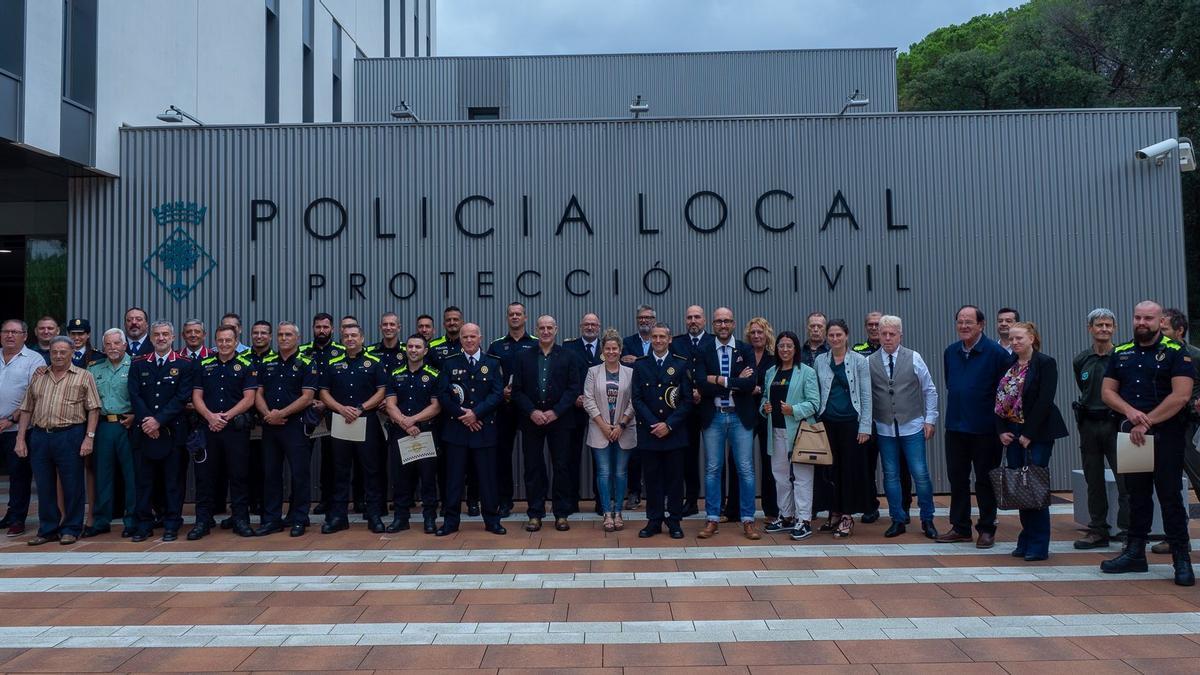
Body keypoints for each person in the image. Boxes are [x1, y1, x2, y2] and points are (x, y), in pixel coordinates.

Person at [1100, 301, 1194, 586]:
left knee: (1169, 496)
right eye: (1138, 317)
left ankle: (1181, 559)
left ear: (1160, 321)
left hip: (1166, 435)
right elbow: (1107, 392)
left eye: (1149, 318)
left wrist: (1147, 421)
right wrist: (1130, 413)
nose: (1142, 322)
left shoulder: (1177, 352)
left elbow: (1181, 396)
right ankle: (1135, 553)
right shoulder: (1121, 353)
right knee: (1136, 496)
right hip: (1132, 435)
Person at [13, 336, 100, 545]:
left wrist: (89, 438)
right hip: (41, 436)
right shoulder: (39, 376)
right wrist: (20, 438)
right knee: (44, 485)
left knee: (72, 484)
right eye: (54, 352)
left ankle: (71, 528)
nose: (59, 356)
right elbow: (26, 409)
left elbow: (94, 409)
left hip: (70, 435)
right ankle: (48, 529)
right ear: (49, 353)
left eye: (63, 352)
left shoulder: (83, 376)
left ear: (71, 353)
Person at [994, 322, 1068, 561]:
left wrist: (1029, 433)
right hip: (1012, 432)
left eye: (1019, 338)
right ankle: (1026, 537)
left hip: (1038, 432)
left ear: (1032, 338)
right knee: (1020, 487)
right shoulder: (1009, 365)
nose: (1015, 342)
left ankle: (1039, 543)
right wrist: (1001, 430)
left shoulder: (1045, 363)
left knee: (1034, 485)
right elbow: (999, 400)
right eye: (1011, 339)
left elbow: (1045, 400)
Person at [938, 305, 1010, 548]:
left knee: (985, 480)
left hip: (985, 429)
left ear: (981, 324)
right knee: (957, 479)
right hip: (956, 427)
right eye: (960, 321)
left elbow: (1005, 394)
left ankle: (987, 528)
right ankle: (960, 527)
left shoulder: (997, 354)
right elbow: (952, 385)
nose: (964, 326)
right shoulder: (950, 352)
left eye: (969, 322)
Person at [870, 315, 939, 540]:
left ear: (900, 335)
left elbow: (929, 389)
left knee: (920, 473)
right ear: (878, 335)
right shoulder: (869, 361)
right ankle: (897, 519)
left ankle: (927, 518)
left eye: (892, 334)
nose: (888, 338)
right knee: (890, 475)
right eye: (884, 334)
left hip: (912, 425)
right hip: (884, 427)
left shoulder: (914, 358)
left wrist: (930, 419)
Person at [694, 307, 761, 540]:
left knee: (745, 470)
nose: (723, 325)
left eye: (727, 321)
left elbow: (750, 383)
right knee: (713, 469)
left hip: (739, 416)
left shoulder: (744, 349)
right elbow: (702, 384)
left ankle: (748, 520)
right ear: (713, 325)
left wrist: (720, 379)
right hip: (714, 416)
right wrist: (734, 381)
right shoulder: (703, 350)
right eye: (719, 322)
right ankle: (712, 518)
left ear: (733, 324)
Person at [512, 315, 582, 531]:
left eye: (549, 328)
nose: (545, 331)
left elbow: (573, 389)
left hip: (560, 420)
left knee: (562, 467)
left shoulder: (569, 356)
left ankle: (561, 513)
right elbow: (517, 391)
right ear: (536, 329)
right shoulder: (523, 357)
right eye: (541, 328)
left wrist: (556, 411)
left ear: (556, 329)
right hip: (532, 420)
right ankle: (535, 513)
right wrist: (532, 411)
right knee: (533, 467)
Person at [188, 325, 258, 540]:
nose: (224, 344)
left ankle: (240, 520)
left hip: (234, 430)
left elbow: (249, 398)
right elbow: (196, 396)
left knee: (238, 476)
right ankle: (203, 521)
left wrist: (224, 417)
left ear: (236, 341)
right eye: (221, 340)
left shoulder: (247, 364)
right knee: (204, 477)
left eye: (229, 340)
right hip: (208, 428)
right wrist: (210, 417)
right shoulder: (203, 363)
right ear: (215, 341)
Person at [435, 322, 506, 536]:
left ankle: (492, 520)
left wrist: (476, 413)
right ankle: (450, 522)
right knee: (454, 480)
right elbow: (443, 394)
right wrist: (463, 415)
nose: (468, 340)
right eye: (465, 337)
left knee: (487, 479)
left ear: (480, 337)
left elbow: (497, 394)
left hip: (483, 429)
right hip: (456, 431)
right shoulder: (449, 363)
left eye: (472, 336)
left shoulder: (492, 363)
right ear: (461, 340)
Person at [318, 323, 387, 533]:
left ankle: (374, 515)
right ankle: (338, 516)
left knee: (371, 470)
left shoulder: (375, 362)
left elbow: (382, 391)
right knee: (340, 471)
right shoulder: (333, 363)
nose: (350, 338)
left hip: (366, 421)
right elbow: (323, 392)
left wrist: (360, 408)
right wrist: (340, 408)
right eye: (346, 335)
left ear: (362, 338)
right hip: (341, 421)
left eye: (354, 335)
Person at [127, 321, 192, 542]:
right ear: (151, 338)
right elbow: (134, 395)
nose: (161, 338)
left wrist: (158, 421)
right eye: (157, 335)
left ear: (173, 337)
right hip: (144, 432)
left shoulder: (184, 364)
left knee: (173, 481)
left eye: (165, 334)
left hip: (172, 432)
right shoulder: (138, 363)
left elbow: (182, 397)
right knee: (144, 481)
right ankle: (144, 524)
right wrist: (148, 422)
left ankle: (172, 523)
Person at [254, 321, 318, 537]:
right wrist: (268, 415)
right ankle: (272, 519)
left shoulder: (307, 362)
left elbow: (308, 397)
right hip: (270, 426)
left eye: (288, 334)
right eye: (280, 335)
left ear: (297, 338)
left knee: (299, 474)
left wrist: (281, 414)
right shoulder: (267, 362)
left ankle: (299, 518)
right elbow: (258, 394)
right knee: (270, 473)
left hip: (295, 426)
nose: (284, 338)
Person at [813, 320, 874, 538]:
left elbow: (866, 395)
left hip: (851, 423)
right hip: (827, 422)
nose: (835, 339)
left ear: (846, 335)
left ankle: (848, 515)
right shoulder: (820, 360)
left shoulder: (859, 361)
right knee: (830, 471)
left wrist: (865, 426)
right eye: (831, 335)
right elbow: (817, 390)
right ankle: (835, 512)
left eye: (839, 335)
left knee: (849, 471)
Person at [1072, 308, 1128, 549]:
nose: (1104, 329)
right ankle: (1098, 530)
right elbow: (1083, 387)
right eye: (1099, 325)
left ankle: (1129, 530)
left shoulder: (1124, 357)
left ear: (1114, 329)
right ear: (1090, 329)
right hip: (1089, 425)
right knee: (1093, 480)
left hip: (1117, 425)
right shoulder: (1081, 359)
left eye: (1108, 325)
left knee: (1127, 480)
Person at [631, 322, 692, 539]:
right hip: (649, 433)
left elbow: (686, 400)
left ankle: (674, 521)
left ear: (669, 339)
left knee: (675, 480)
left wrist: (669, 425)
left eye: (662, 337)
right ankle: (654, 520)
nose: (658, 341)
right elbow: (636, 399)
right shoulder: (641, 365)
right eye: (654, 337)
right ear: (650, 340)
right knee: (652, 479)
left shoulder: (681, 364)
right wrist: (653, 424)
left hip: (674, 433)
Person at [759, 331, 820, 540]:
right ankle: (786, 516)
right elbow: (765, 397)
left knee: (802, 478)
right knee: (780, 476)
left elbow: (814, 403)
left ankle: (804, 520)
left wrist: (793, 409)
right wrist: (764, 407)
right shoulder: (771, 372)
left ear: (795, 349)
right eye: (781, 346)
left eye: (789, 346)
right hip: (775, 430)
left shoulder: (807, 372)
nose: (785, 350)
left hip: (800, 432)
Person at [382, 334, 443, 534]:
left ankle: (429, 518)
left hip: (426, 433)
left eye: (418, 347)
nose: (413, 350)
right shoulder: (394, 373)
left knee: (427, 478)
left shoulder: (434, 375)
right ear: (405, 349)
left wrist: (413, 420)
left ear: (425, 351)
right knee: (400, 479)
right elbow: (390, 405)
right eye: (410, 346)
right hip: (401, 433)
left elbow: (436, 407)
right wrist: (405, 423)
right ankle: (401, 518)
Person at [582, 329, 636, 532]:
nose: (611, 352)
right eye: (607, 348)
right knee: (604, 472)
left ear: (621, 350)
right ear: (602, 351)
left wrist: (621, 424)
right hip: (600, 429)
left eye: (615, 348)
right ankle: (607, 513)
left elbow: (634, 400)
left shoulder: (630, 373)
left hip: (624, 429)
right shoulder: (593, 372)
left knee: (621, 473)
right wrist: (604, 426)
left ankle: (618, 512)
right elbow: (588, 399)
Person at [487, 301, 536, 518]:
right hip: (504, 407)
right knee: (502, 456)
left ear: (525, 317)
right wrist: (501, 393)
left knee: (532, 455)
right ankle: (504, 501)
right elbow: (488, 375)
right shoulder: (496, 345)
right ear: (507, 318)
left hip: (528, 408)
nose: (515, 317)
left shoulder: (535, 343)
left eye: (519, 314)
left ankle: (535, 502)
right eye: (511, 314)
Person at [87, 328, 137, 538]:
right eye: (108, 344)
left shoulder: (136, 365)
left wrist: (136, 415)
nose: (113, 348)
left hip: (128, 424)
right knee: (103, 475)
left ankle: (132, 519)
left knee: (131, 475)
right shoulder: (94, 369)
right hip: (104, 426)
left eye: (117, 343)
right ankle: (101, 520)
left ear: (125, 345)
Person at [0, 320, 43, 537]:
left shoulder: (34, 360)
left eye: (15, 332)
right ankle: (8, 514)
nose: (10, 335)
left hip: (18, 428)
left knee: (19, 476)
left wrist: (10, 419)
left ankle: (17, 518)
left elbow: (33, 396)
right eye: (6, 331)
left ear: (25, 336)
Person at [670, 305, 713, 518]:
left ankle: (718, 502)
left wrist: (702, 392)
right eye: (689, 318)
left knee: (715, 458)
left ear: (704, 320)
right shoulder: (676, 343)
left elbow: (718, 372)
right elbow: (673, 374)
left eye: (697, 317)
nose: (693, 321)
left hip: (711, 405)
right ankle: (692, 500)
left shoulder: (713, 341)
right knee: (688, 456)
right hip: (686, 409)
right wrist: (689, 393)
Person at [300, 312, 344, 516]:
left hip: (332, 411)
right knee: (301, 458)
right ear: (313, 328)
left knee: (332, 459)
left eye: (325, 327)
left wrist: (326, 403)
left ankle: (328, 500)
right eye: (318, 327)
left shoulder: (342, 352)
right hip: (304, 411)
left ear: (332, 329)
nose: (322, 331)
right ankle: (300, 501)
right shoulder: (301, 352)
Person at [563, 313, 603, 515]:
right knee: (572, 457)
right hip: (575, 409)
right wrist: (575, 397)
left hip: (602, 411)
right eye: (586, 324)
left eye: (593, 324)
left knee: (600, 457)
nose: (590, 327)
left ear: (599, 326)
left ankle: (601, 500)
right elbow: (564, 376)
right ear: (581, 326)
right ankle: (571, 500)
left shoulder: (608, 347)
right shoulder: (569, 347)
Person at [740, 317, 778, 524]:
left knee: (769, 459)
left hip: (767, 413)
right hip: (744, 412)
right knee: (739, 460)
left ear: (767, 335)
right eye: (753, 332)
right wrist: (746, 386)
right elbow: (735, 380)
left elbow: (777, 384)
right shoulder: (742, 355)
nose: (756, 336)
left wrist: (758, 389)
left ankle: (771, 509)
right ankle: (734, 509)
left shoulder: (773, 358)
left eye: (760, 332)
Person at [621, 304, 658, 509]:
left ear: (654, 319)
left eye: (648, 318)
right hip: (633, 403)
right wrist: (643, 364)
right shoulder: (627, 342)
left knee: (657, 451)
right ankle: (634, 492)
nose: (644, 321)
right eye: (641, 318)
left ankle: (657, 492)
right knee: (634, 452)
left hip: (658, 404)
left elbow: (661, 366)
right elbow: (624, 367)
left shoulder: (660, 340)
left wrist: (638, 362)